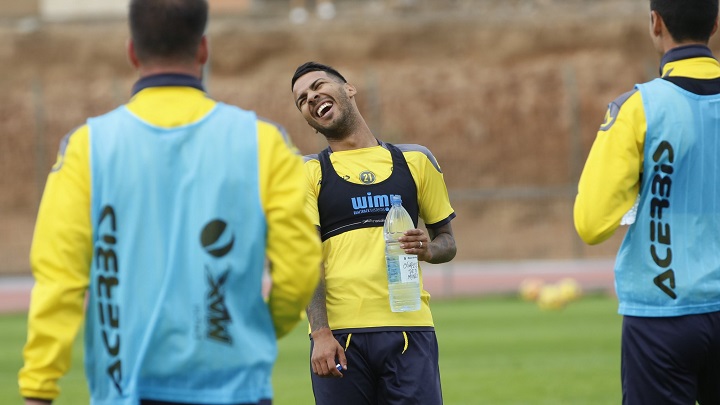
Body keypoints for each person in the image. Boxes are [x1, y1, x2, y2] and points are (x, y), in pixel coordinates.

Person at [18, 1, 321, 404]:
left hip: (128, 389)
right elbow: (301, 263)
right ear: (203, 50)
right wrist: (263, 324)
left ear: (131, 51)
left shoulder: (87, 148)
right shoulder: (263, 141)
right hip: (235, 387)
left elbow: (59, 279)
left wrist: (39, 386)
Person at [574, 0, 720, 403]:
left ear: (655, 23)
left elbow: (591, 223)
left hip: (662, 314)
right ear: (716, 23)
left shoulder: (638, 109)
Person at [290, 61, 457, 405]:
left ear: (348, 89)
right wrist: (320, 333)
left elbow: (447, 242)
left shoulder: (416, 160)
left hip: (410, 329)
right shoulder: (307, 172)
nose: (311, 97)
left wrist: (428, 250)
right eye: (301, 99)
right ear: (307, 118)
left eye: (318, 85)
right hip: (339, 337)